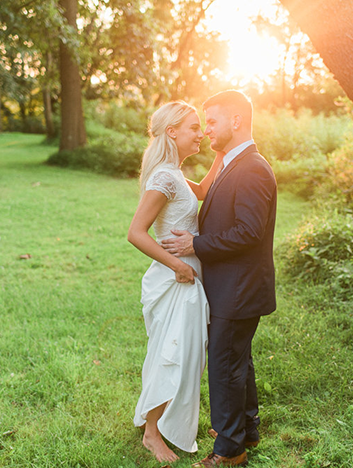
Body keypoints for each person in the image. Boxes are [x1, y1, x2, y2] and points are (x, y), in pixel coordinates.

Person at [162, 90, 277, 467]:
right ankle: (247, 428)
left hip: (239, 288)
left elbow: (248, 232)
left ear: (236, 121)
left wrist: (195, 244)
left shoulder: (253, 168)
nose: (207, 128)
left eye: (212, 121)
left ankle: (230, 451)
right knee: (237, 360)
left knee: (225, 363)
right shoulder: (231, 162)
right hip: (233, 285)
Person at [127, 101, 223, 463]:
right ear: (172, 132)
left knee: (182, 354)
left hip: (188, 276)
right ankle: (153, 435)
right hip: (177, 279)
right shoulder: (165, 177)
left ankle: (156, 418)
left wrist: (221, 150)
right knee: (174, 354)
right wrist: (177, 266)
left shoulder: (176, 174)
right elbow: (136, 233)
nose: (200, 134)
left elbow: (202, 192)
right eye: (194, 128)